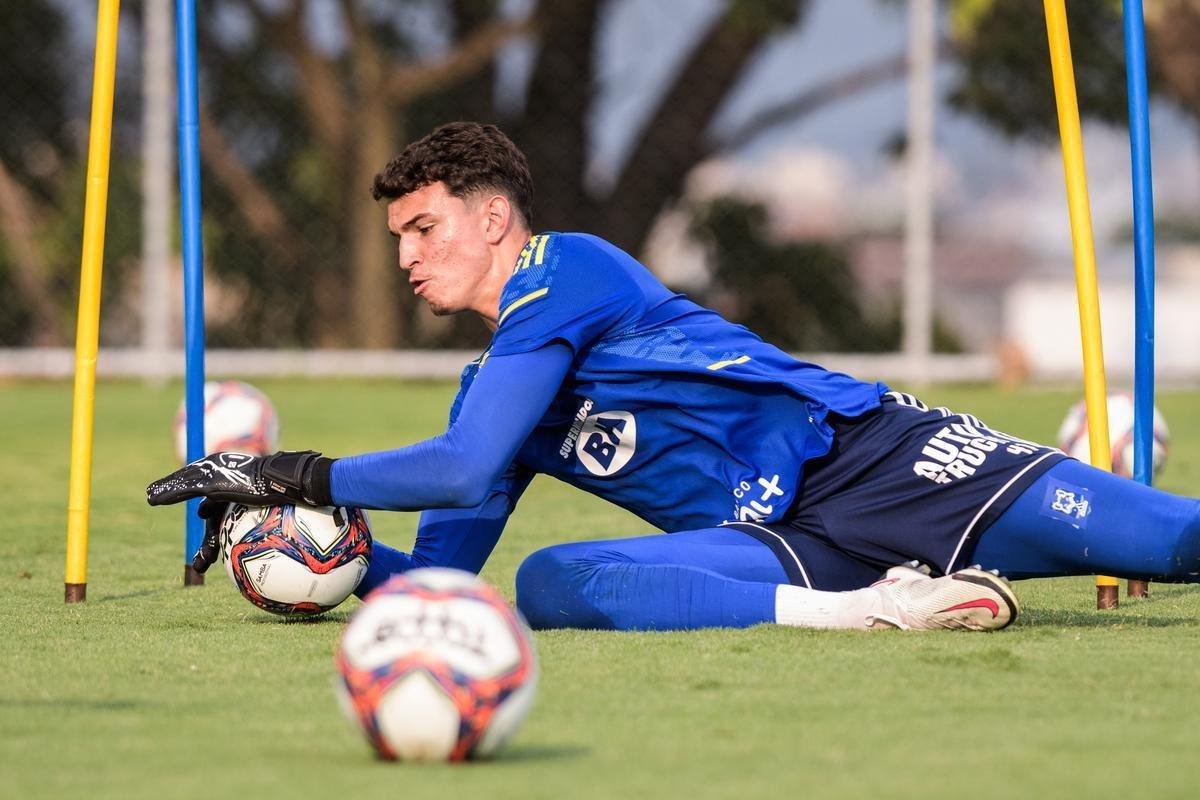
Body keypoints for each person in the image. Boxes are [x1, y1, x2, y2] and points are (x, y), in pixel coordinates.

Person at [147, 122, 1200, 633]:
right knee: (553, 584)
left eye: (424, 226)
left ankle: (1076, 473)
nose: (410, 254)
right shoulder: (497, 384)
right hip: (788, 547)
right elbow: (451, 584)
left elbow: (464, 468)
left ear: (494, 216)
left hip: (888, 460)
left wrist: (293, 473)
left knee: (1175, 541)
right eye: (398, 236)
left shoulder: (569, 269)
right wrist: (311, 558)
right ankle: (882, 609)